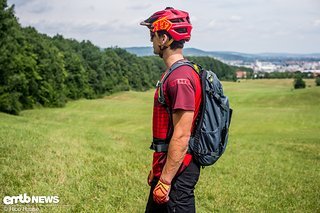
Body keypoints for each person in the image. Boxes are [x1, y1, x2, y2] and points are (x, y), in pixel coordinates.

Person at [140, 7, 202, 213]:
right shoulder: (176, 73)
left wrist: (165, 179)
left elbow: (182, 134)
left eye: (153, 35)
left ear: (164, 38)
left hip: (177, 174)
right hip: (168, 168)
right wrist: (158, 171)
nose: (151, 41)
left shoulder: (179, 79)